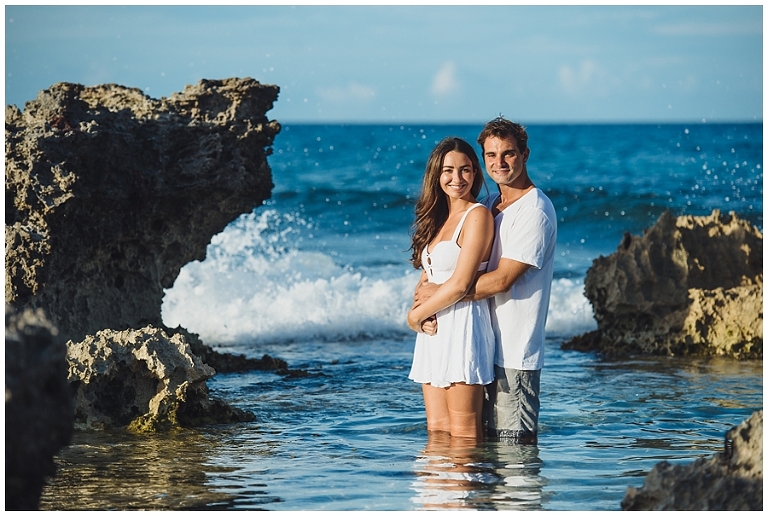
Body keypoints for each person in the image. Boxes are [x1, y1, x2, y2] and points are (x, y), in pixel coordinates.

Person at [415, 117, 557, 444]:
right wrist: (428, 292)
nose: (499, 162)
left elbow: (501, 280)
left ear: (525, 154)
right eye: (491, 155)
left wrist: (439, 295)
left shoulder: (534, 211)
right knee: (483, 456)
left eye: (508, 153)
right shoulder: (493, 204)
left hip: (514, 354)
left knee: (513, 456)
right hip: (482, 344)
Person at [406, 137, 496, 441]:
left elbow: (461, 284)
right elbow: (427, 277)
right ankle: (436, 490)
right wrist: (419, 311)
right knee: (438, 431)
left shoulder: (478, 215)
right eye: (448, 171)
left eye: (465, 170)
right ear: (437, 175)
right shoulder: (437, 219)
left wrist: (413, 317)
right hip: (433, 332)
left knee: (464, 433)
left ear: (475, 173)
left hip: (463, 327)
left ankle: (469, 488)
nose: (457, 179)